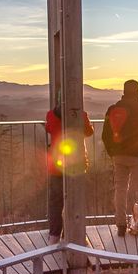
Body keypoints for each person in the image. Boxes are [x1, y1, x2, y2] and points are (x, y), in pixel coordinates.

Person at [102, 79, 138, 238]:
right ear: (137, 91)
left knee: (120, 188)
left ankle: (120, 224)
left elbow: (105, 135)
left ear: (124, 91)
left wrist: (112, 152)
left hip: (119, 156)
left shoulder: (112, 109)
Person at [45, 103, 94, 246]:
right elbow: (89, 132)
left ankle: (54, 235)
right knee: (74, 199)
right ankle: (71, 233)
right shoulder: (81, 115)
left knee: (56, 201)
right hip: (76, 165)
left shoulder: (51, 115)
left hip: (57, 164)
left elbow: (49, 128)